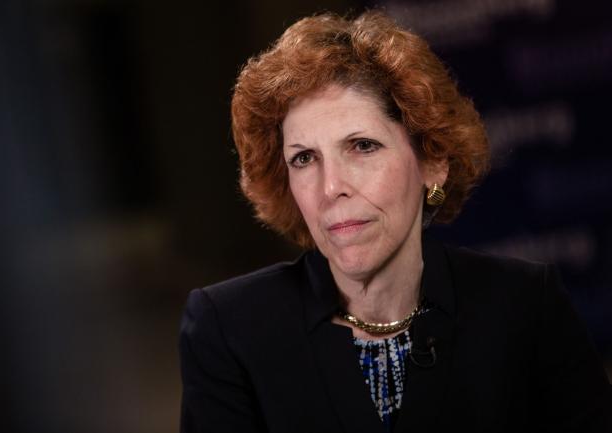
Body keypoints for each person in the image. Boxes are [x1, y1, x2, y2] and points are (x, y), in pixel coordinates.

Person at [178, 10, 611, 433]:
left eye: (362, 146)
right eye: (304, 158)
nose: (331, 188)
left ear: (432, 162)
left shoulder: (525, 307)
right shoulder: (227, 329)